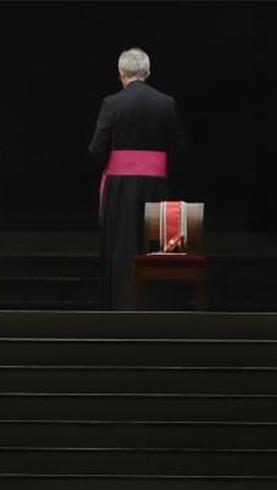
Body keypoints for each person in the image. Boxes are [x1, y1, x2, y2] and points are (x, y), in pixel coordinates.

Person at [89, 48, 186, 310]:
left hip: (120, 188)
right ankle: (157, 304)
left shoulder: (112, 103)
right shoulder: (166, 103)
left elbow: (96, 149)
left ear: (121, 74)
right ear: (148, 73)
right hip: (157, 185)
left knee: (122, 246)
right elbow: (178, 146)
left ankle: (122, 304)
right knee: (154, 245)